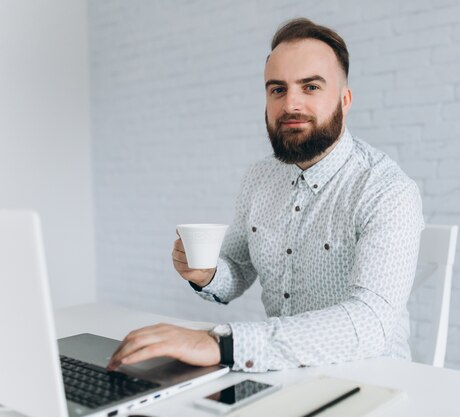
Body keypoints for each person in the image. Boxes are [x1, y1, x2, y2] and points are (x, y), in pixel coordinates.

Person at [108, 17, 424, 373]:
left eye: (311, 88)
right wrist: (206, 274)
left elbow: (370, 323)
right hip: (279, 372)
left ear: (344, 99)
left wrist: (221, 344)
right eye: (277, 89)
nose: (291, 104)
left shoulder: (387, 190)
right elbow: (236, 271)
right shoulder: (259, 178)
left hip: (371, 378)